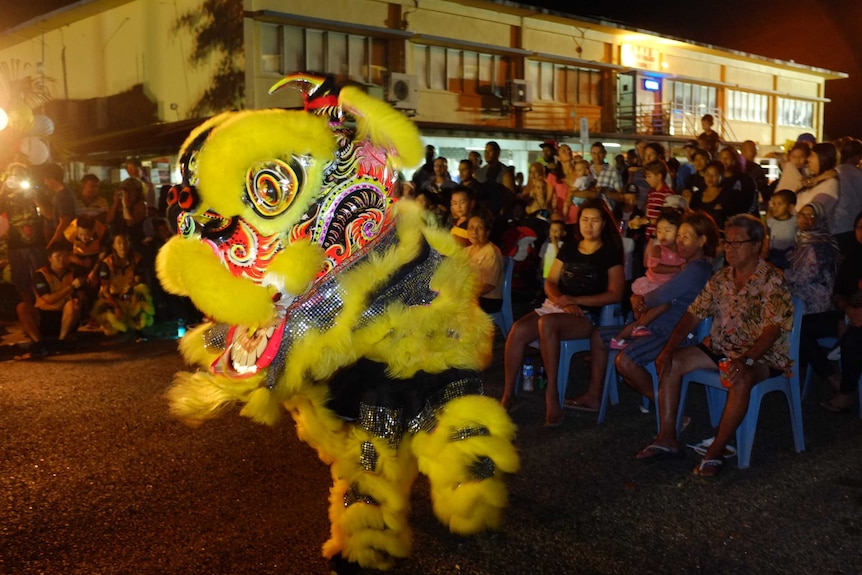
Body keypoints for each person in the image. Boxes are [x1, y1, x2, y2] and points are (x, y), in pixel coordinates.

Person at [636, 214, 793, 478]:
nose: (729, 248)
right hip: (721, 347)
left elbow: (772, 329)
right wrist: (669, 348)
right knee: (670, 361)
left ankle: (716, 451)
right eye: (727, 242)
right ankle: (667, 438)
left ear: (755, 245)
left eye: (736, 243)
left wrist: (747, 360)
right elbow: (693, 314)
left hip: (762, 355)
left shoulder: (772, 280)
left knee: (740, 377)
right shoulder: (721, 278)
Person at [499, 198, 624, 426]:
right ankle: (509, 393)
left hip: (587, 315)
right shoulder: (569, 247)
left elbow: (616, 293)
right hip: (558, 306)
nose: (589, 225)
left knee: (547, 325)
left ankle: (552, 394)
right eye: (585, 219)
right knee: (517, 330)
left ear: (604, 224)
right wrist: (562, 301)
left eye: (595, 220)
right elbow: (551, 281)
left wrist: (575, 300)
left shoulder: (609, 253)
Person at [598, 212, 719, 408]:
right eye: (678, 235)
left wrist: (640, 300)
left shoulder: (698, 268)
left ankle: (666, 405)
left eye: (685, 236)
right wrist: (638, 299)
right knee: (599, 337)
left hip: (670, 332)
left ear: (702, 240)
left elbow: (659, 297)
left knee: (626, 361)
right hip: (652, 325)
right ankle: (596, 395)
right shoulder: (685, 265)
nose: (679, 241)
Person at [785, 202, 841, 392]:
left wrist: (780, 274)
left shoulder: (821, 245)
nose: (806, 219)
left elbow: (805, 275)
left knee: (796, 329)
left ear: (820, 220)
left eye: (812, 216)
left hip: (819, 306)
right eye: (802, 215)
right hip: (802, 302)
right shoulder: (802, 241)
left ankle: (830, 376)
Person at [611, 207, 685, 348]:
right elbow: (655, 267)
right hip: (652, 285)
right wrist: (678, 268)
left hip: (663, 289)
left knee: (645, 317)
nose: (663, 234)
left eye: (668, 230)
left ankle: (620, 338)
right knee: (659, 307)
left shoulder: (681, 252)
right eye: (660, 230)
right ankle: (634, 330)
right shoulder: (658, 249)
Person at [820, 210, 862, 412]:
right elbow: (838, 294)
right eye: (859, 227)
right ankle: (833, 378)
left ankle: (846, 393)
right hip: (848, 312)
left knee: (853, 340)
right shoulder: (853, 258)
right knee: (800, 330)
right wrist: (849, 310)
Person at [17, 239, 84, 357]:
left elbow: (80, 293)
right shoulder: (41, 274)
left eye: (64, 256)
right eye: (57, 256)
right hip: (43, 316)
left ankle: (61, 341)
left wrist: (79, 299)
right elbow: (48, 299)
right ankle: (38, 343)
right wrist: (71, 287)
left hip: (65, 317)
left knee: (73, 304)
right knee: (22, 307)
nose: (61, 260)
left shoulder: (73, 272)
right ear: (50, 258)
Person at [0, 163, 50, 309]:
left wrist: (36, 199)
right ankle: (29, 311)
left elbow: (49, 214)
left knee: (41, 276)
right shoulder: (6, 197)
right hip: (16, 243)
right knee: (21, 279)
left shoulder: (36, 193)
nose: (18, 177)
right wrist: (3, 189)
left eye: (21, 173)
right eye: (14, 174)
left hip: (37, 242)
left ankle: (43, 308)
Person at [90, 234, 155, 337]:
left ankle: (139, 327)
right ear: (114, 246)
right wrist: (116, 306)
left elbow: (138, 280)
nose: (122, 246)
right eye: (119, 243)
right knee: (113, 326)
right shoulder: (107, 263)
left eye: (124, 242)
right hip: (112, 297)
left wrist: (130, 287)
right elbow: (105, 291)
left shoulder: (136, 259)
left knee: (142, 290)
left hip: (129, 294)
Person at [796, 142, 840, 232]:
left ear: (823, 158)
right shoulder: (816, 181)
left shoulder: (829, 186)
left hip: (813, 240)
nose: (808, 159)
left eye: (812, 156)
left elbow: (810, 215)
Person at [465, 211, 504, 314]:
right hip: (470, 295)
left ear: (487, 232)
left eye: (480, 228)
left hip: (487, 299)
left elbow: (488, 286)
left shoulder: (491, 253)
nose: (474, 232)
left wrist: (463, 294)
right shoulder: (466, 251)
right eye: (471, 228)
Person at [627, 159, 673, 238]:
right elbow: (648, 215)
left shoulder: (668, 195)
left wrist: (644, 221)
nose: (647, 179)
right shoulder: (651, 193)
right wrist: (638, 221)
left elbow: (667, 219)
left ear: (659, 176)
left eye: (649, 176)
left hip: (661, 238)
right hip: (649, 237)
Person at [833, 139, 862, 253]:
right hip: (852, 227)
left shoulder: (834, 172)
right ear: (857, 156)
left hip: (834, 226)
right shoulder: (859, 175)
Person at [40, 163, 76, 246]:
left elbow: (64, 220)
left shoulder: (63, 196)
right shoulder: (59, 193)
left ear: (52, 179)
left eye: (46, 179)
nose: (45, 183)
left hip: (64, 239)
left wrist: (55, 239)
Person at [107, 177, 148, 250]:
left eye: (130, 190)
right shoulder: (119, 204)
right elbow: (109, 220)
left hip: (132, 242)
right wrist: (116, 202)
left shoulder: (141, 205)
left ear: (137, 192)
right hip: (117, 242)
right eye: (125, 190)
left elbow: (130, 223)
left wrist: (125, 205)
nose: (127, 193)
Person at [718, 146, 758, 218]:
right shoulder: (717, 179)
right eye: (721, 158)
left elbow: (752, 201)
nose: (724, 161)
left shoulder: (745, 179)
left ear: (734, 160)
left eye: (727, 158)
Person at [689, 160, 730, 230]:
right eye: (707, 174)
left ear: (722, 176)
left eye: (714, 175)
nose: (710, 178)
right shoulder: (697, 195)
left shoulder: (726, 195)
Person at [765, 189, 797, 269]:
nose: (775, 207)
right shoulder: (771, 222)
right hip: (774, 253)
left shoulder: (795, 221)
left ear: (790, 207)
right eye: (774, 204)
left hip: (790, 253)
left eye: (779, 204)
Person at [538, 218, 566, 285]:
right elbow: (542, 259)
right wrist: (539, 271)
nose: (553, 232)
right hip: (546, 274)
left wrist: (555, 244)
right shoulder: (545, 244)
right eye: (551, 230)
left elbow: (560, 257)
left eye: (556, 231)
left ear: (563, 233)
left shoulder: (563, 246)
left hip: (557, 276)